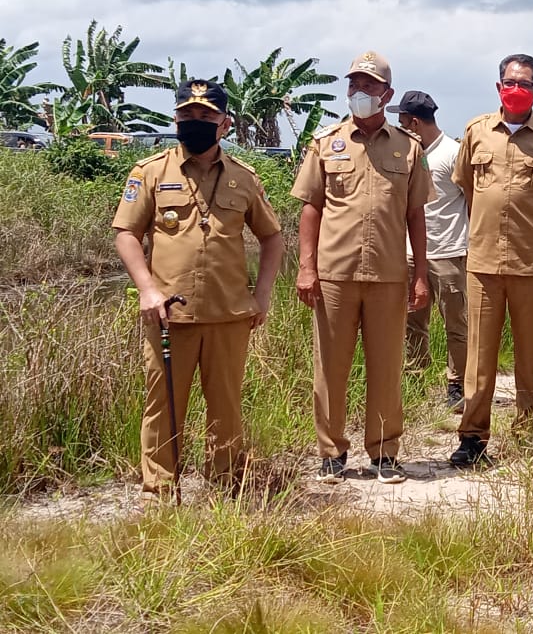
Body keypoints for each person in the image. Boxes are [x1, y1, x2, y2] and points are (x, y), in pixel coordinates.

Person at [112, 79, 284, 501]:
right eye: (187, 114)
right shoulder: (150, 172)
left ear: (224, 124)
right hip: (170, 313)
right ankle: (160, 490)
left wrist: (261, 296)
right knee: (163, 405)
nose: (195, 122)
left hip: (228, 313)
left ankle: (224, 487)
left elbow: (272, 237)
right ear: (175, 119)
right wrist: (147, 291)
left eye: (205, 116)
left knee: (225, 407)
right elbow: (126, 234)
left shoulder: (244, 179)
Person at [291, 51, 434, 485]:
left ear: (387, 94)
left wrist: (421, 275)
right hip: (334, 275)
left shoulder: (408, 148)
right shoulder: (325, 143)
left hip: (389, 275)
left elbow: (415, 216)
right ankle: (331, 452)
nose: (359, 92)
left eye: (369, 86)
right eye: (354, 84)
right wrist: (306, 267)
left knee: (387, 367)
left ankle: (385, 453)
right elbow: (311, 209)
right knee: (330, 366)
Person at [449, 53, 533, 467]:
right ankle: (473, 437)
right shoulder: (476, 132)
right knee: (479, 356)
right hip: (484, 262)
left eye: (524, 84)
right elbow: (468, 188)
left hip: (531, 262)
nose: (516, 89)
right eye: (509, 82)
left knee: (528, 353)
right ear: (498, 87)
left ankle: (529, 433)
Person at [390, 90, 470, 412]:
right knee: (412, 321)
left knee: (456, 323)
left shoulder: (453, 154)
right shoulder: (406, 154)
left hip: (449, 252)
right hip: (411, 255)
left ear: (413, 122)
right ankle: (415, 379)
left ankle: (457, 384)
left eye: (401, 121)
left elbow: (473, 201)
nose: (399, 126)